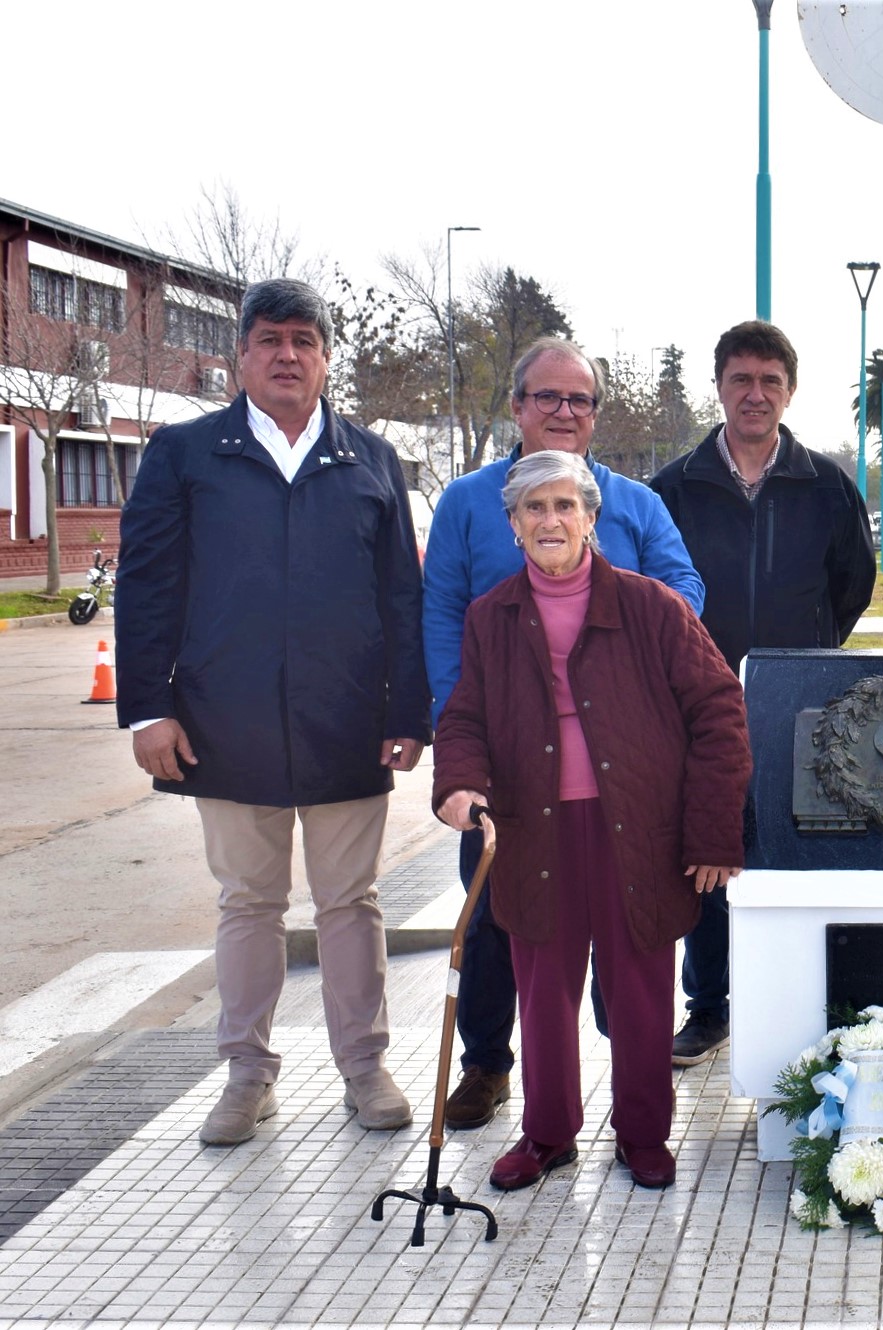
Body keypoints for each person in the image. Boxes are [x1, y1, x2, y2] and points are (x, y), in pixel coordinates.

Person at [116, 279, 428, 1145]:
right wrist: (148, 707)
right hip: (226, 719)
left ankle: (363, 1068)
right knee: (248, 902)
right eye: (270, 340)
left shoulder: (369, 459)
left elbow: (400, 594)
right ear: (241, 356)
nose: (287, 355)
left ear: (326, 358)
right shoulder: (183, 455)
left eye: (304, 341)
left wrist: (409, 710)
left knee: (349, 902)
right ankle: (246, 1074)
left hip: (346, 721)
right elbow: (147, 588)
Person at [433, 451, 751, 1190]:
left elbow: (720, 713)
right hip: (532, 828)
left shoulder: (652, 607)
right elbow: (466, 716)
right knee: (543, 992)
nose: (550, 520)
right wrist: (457, 784)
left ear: (590, 518)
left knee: (640, 993)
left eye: (564, 506)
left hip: (634, 830)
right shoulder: (492, 616)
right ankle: (547, 1135)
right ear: (512, 526)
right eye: (533, 509)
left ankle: (643, 1134)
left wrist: (711, 833)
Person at [422, 336, 703, 1131]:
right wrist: (464, 738)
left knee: (631, 934)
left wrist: (628, 644)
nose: (563, 412)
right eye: (547, 397)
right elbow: (443, 612)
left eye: (579, 400)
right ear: (515, 407)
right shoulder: (467, 503)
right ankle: (488, 1067)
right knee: (500, 922)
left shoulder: (635, 504)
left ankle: (634, 1086)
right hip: (510, 764)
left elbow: (684, 592)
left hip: (618, 764)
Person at [650, 320, 876, 1067]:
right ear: (719, 386)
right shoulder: (674, 489)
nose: (754, 394)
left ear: (789, 391)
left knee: (799, 850)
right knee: (709, 855)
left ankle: (809, 1003)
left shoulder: (827, 486)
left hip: (799, 705)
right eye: (741, 379)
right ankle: (708, 1006)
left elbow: (853, 587)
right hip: (696, 711)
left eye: (769, 382)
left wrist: (804, 657)